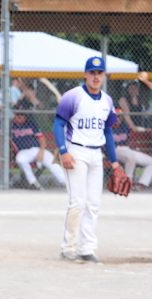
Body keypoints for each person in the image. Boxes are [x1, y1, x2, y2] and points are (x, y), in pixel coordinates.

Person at [54, 56, 125, 263]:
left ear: (104, 76)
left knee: (93, 203)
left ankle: (87, 248)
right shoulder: (73, 96)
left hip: (96, 154)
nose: (95, 76)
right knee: (78, 202)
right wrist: (63, 151)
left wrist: (114, 162)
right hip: (76, 151)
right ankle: (68, 248)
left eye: (99, 73)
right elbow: (58, 125)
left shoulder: (107, 101)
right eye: (92, 73)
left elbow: (108, 133)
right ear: (85, 74)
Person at [10, 100, 65, 189]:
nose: (19, 117)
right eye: (17, 114)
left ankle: (67, 183)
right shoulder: (10, 125)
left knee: (52, 163)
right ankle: (34, 183)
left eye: (22, 114)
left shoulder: (31, 123)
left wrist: (41, 152)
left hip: (37, 150)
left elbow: (42, 139)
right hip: (23, 152)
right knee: (20, 159)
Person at [113, 119, 152, 191]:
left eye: (119, 116)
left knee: (150, 161)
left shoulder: (124, 126)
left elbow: (135, 128)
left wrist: (146, 129)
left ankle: (141, 184)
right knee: (131, 158)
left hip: (128, 149)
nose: (117, 118)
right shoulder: (107, 127)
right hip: (115, 150)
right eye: (116, 116)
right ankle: (128, 183)